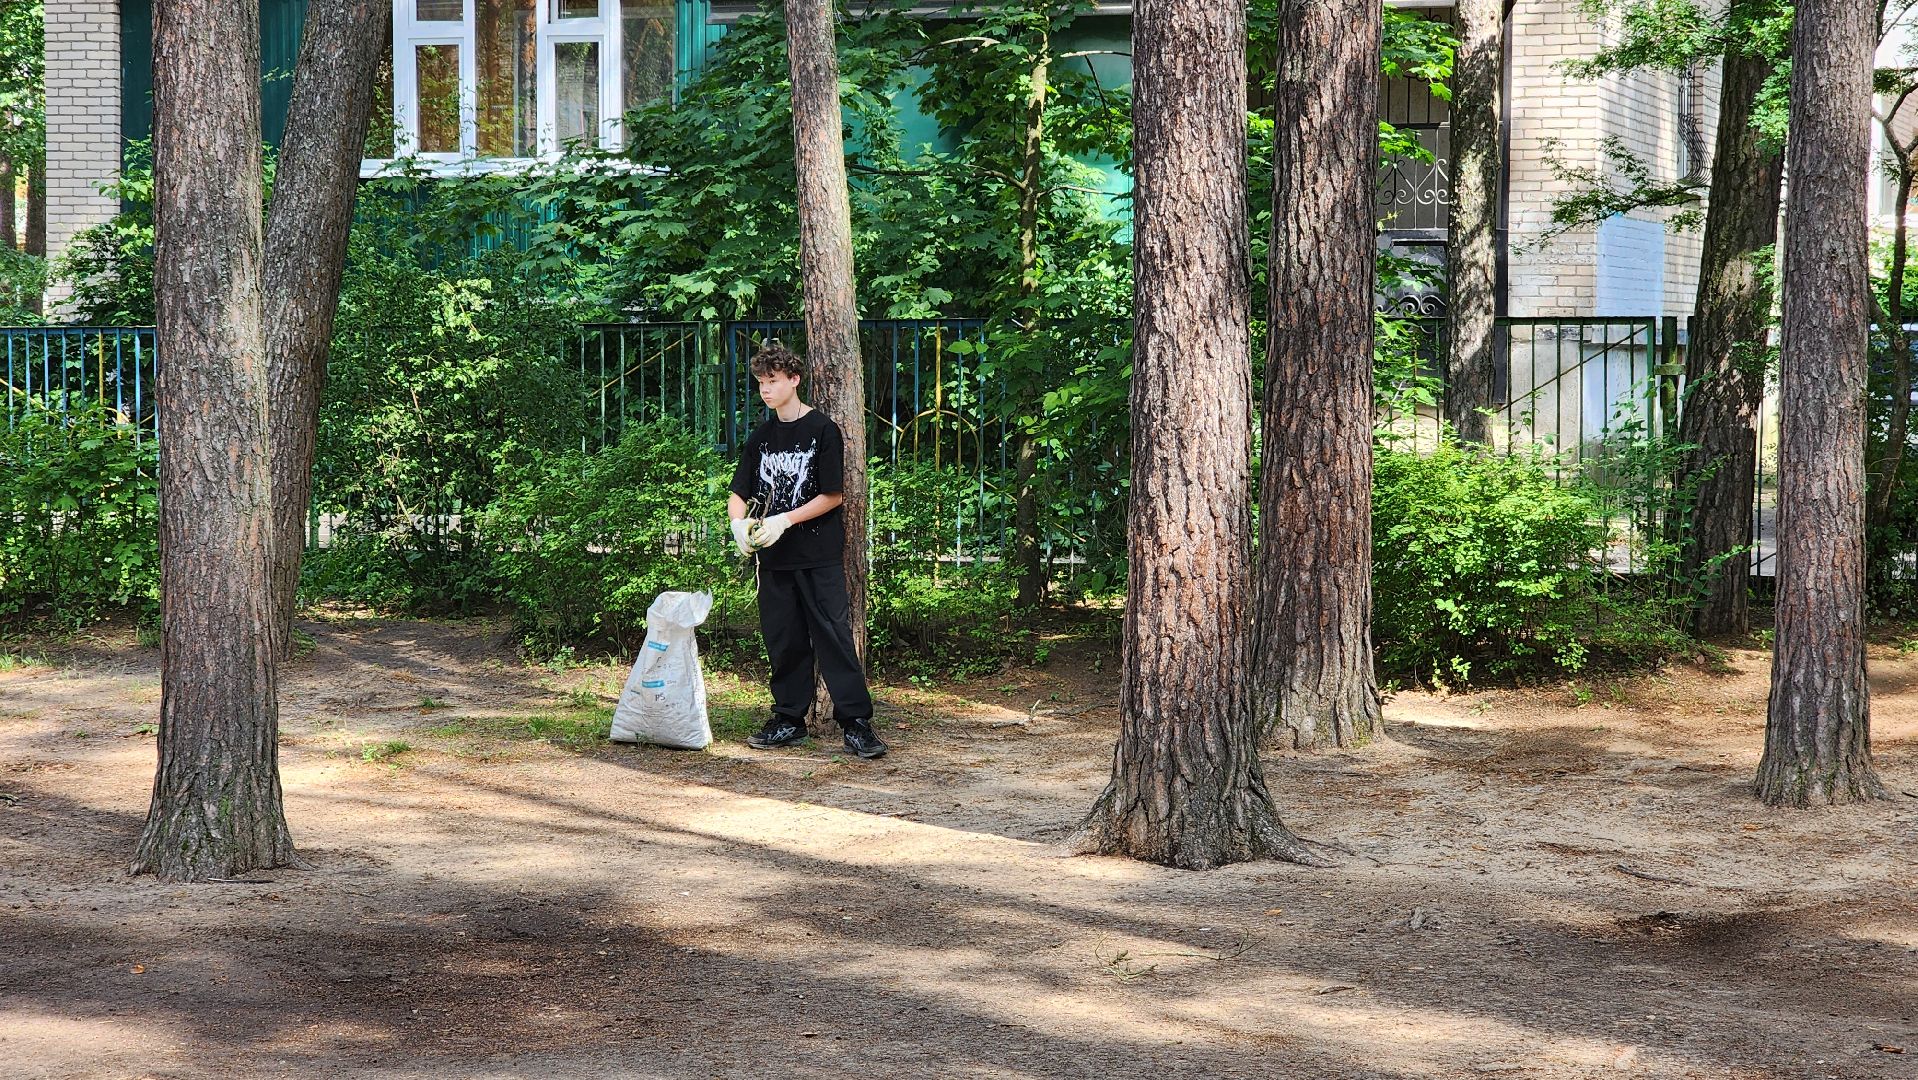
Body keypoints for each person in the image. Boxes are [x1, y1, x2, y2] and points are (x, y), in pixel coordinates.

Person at [727, 341, 888, 759]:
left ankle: (856, 724)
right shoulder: (760, 437)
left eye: (773, 381)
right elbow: (738, 491)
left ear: (794, 380)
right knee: (784, 642)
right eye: (760, 382)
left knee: (834, 639)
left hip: (817, 557)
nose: (765, 389)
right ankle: (788, 720)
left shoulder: (822, 430)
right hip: (773, 562)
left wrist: (784, 520)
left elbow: (833, 495)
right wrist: (738, 525)